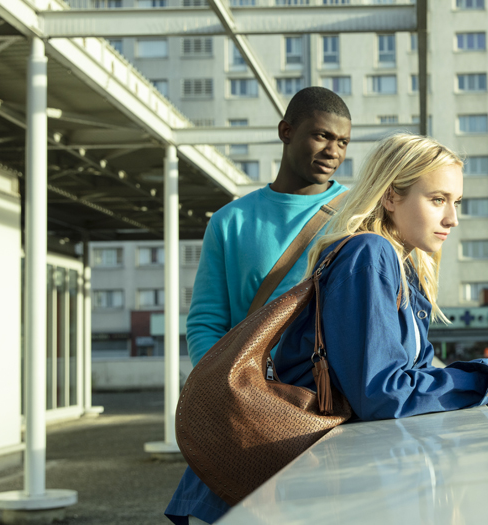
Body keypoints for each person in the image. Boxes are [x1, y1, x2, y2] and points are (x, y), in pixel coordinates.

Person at [164, 86, 352, 525]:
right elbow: (207, 319)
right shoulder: (231, 220)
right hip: (246, 405)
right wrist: (228, 390)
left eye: (343, 142)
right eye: (322, 136)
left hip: (324, 407)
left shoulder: (357, 215)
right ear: (286, 131)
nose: (333, 151)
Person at [273, 133, 488, 427]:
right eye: (438, 200)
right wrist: (486, 383)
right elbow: (380, 395)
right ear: (390, 196)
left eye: (456, 202)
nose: (452, 219)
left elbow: (409, 377)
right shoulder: (369, 254)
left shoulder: (404, 269)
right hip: (316, 454)